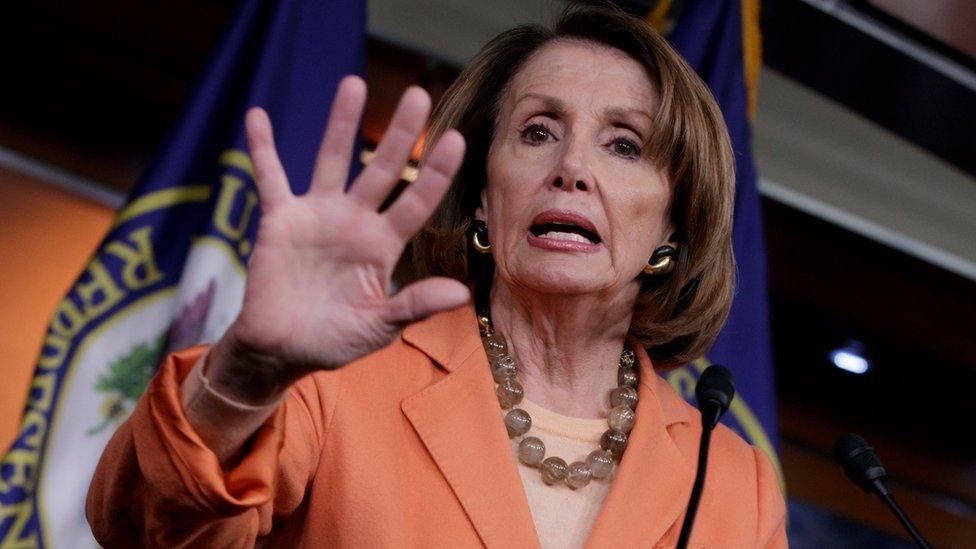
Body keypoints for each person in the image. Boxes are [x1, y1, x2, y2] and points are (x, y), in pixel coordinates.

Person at [87, 4, 787, 547]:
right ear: (483, 195)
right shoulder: (332, 384)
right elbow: (146, 530)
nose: (571, 167)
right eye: (537, 131)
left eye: (624, 144)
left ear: (674, 225)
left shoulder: (733, 482)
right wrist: (244, 372)